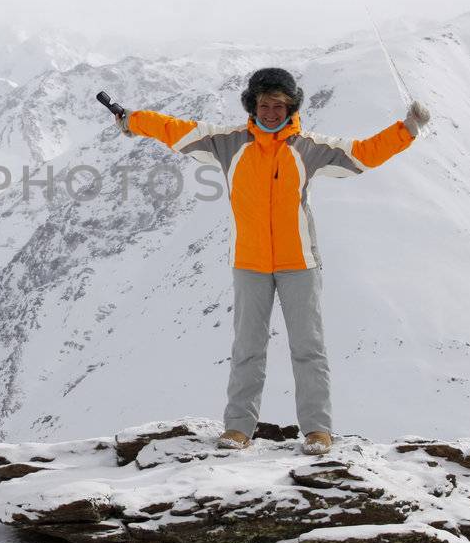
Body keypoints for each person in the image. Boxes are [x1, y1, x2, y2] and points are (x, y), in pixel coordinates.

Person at [113, 67, 430, 455]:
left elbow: (363, 155)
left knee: (308, 348)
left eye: (279, 105)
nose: (270, 112)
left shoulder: (308, 147)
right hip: (249, 262)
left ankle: (317, 430)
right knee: (248, 347)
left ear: (291, 106)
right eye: (264, 104)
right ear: (253, 105)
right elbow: (173, 129)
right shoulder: (227, 143)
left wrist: (408, 128)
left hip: (300, 262)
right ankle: (238, 429)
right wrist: (131, 120)